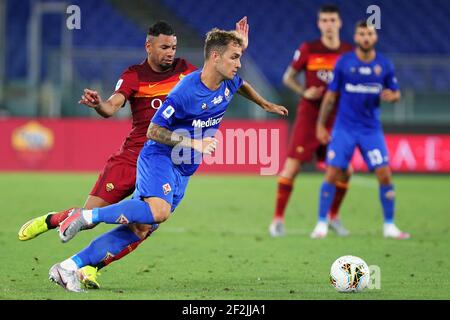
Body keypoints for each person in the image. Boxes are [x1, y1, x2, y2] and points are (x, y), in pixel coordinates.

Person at [47, 28, 288, 292]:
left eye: (239, 57)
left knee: (140, 229)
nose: (239, 64)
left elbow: (242, 85)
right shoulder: (186, 90)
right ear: (216, 57)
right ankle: (86, 216)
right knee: (158, 212)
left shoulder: (228, 81)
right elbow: (153, 131)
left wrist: (264, 104)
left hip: (182, 171)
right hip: (159, 157)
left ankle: (68, 267)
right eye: (234, 57)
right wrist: (194, 142)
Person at [311, 20, 410, 239]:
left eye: (369, 34)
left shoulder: (384, 65)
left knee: (384, 175)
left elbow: (396, 92)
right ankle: (321, 223)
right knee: (333, 173)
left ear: (375, 37)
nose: (366, 37)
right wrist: (320, 124)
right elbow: (330, 96)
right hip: (344, 128)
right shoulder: (344, 63)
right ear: (356, 37)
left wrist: (392, 96)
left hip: (370, 130)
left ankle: (389, 225)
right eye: (362, 33)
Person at [269, 4, 353, 237]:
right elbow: (288, 77)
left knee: (346, 171)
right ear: (319, 24)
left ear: (339, 23)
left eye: (332, 20)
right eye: (324, 20)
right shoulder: (309, 48)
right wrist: (304, 92)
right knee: (292, 167)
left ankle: (333, 216)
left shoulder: (348, 52)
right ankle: (277, 219)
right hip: (309, 115)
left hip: (337, 117)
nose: (328, 24)